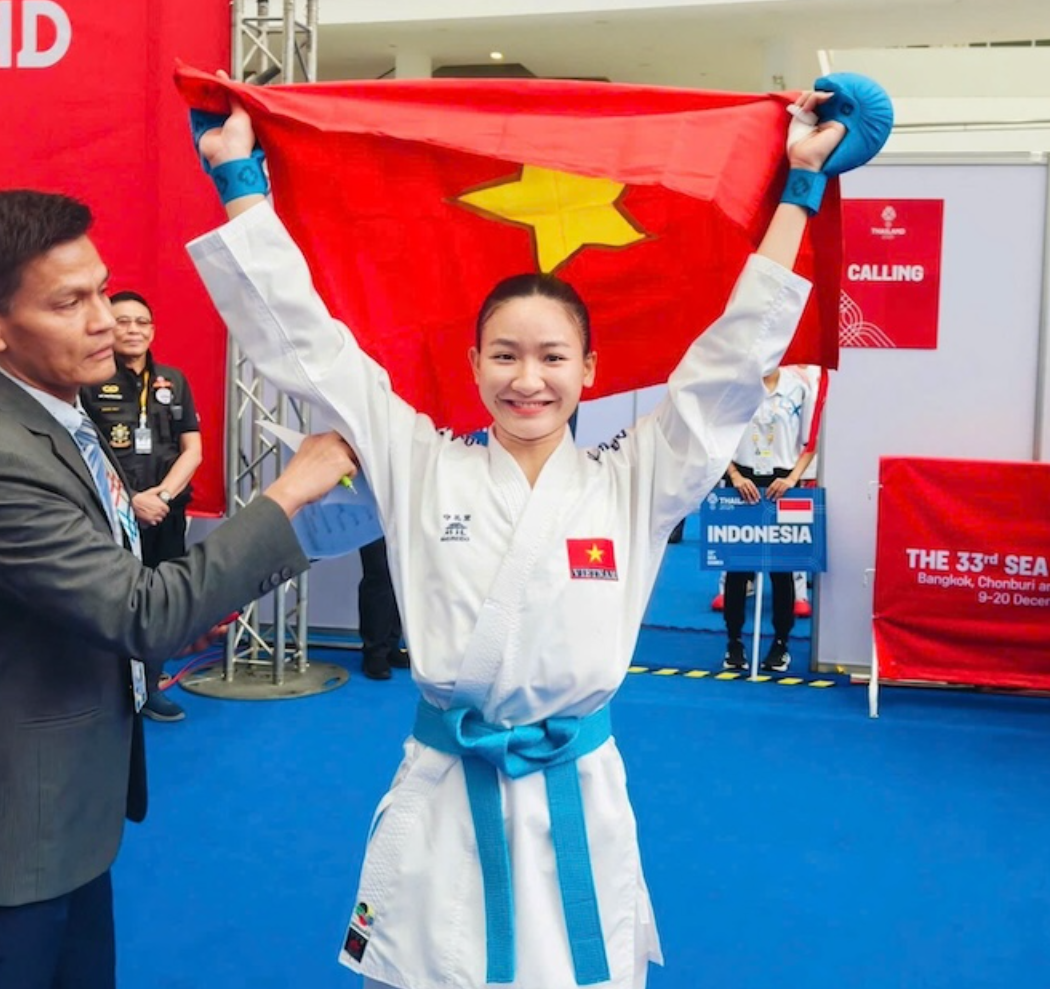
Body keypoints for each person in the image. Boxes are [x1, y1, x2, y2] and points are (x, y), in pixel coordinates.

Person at [188, 82, 866, 989]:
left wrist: (798, 191)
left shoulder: (635, 480)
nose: (527, 380)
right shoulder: (420, 462)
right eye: (504, 355)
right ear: (473, 365)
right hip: (446, 788)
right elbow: (309, 347)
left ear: (590, 369)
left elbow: (729, 363)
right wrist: (239, 180)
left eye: (552, 357)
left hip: (575, 794)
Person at [0, 188, 357, 989]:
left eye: (102, 290)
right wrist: (287, 494)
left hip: (65, 824)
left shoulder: (63, 419)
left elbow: (102, 592)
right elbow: (140, 611)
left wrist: (187, 613)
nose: (104, 319)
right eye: (68, 302)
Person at [81, 289, 203, 721]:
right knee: (112, 603)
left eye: (142, 322)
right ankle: (107, 689)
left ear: (152, 330)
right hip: (112, 514)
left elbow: (193, 449)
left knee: (162, 601)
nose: (134, 330)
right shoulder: (87, 381)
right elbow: (84, 451)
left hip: (165, 512)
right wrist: (131, 501)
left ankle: (150, 687)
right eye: (123, 321)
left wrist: (162, 497)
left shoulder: (173, 380)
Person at [720, 363, 819, 674]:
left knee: (782, 570)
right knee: (737, 570)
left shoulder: (798, 387)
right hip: (742, 485)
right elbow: (717, 438)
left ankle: (780, 644)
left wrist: (792, 479)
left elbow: (810, 442)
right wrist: (734, 476)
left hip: (784, 485)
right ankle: (734, 642)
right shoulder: (736, 386)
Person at [357, 535, 408, 680]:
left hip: (406, 521)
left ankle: (391, 645)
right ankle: (375, 651)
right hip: (372, 523)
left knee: (400, 574)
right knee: (379, 574)